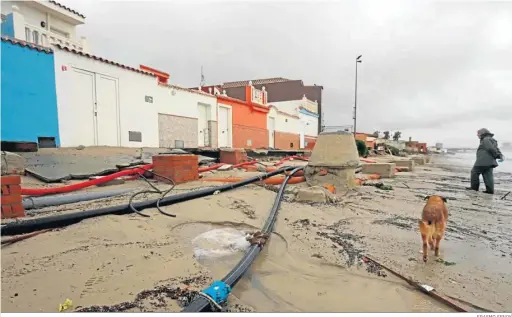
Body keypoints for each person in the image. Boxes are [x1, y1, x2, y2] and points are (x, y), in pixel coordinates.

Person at [467, 128, 504, 194]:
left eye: (478, 133)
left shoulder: (486, 139)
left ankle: (474, 188)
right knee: (487, 175)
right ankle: (490, 190)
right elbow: (496, 149)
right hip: (490, 162)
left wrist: (496, 155)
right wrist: (500, 155)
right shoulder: (493, 140)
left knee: (474, 172)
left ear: (483, 133)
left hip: (482, 161)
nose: (477, 135)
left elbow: (490, 148)